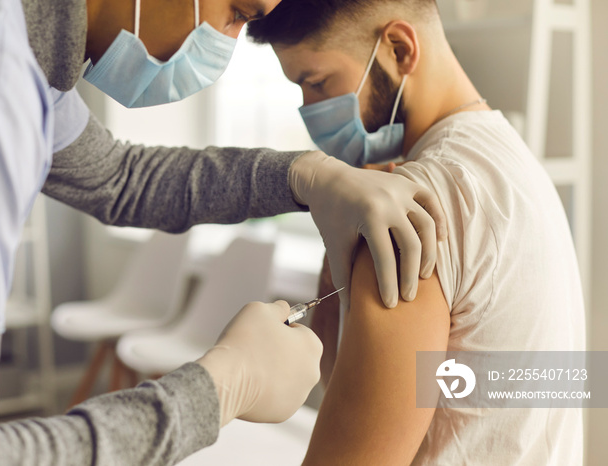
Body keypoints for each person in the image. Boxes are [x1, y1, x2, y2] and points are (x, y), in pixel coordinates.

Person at [0, 0, 452, 464]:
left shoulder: (8, 46)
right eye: (237, 14)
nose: (227, 44)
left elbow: (117, 177)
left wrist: (300, 176)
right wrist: (218, 389)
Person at [247, 0, 586, 464]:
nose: (309, 110)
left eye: (318, 82)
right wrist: (335, 262)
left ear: (400, 49)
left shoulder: (415, 203)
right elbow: (354, 385)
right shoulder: (511, 160)